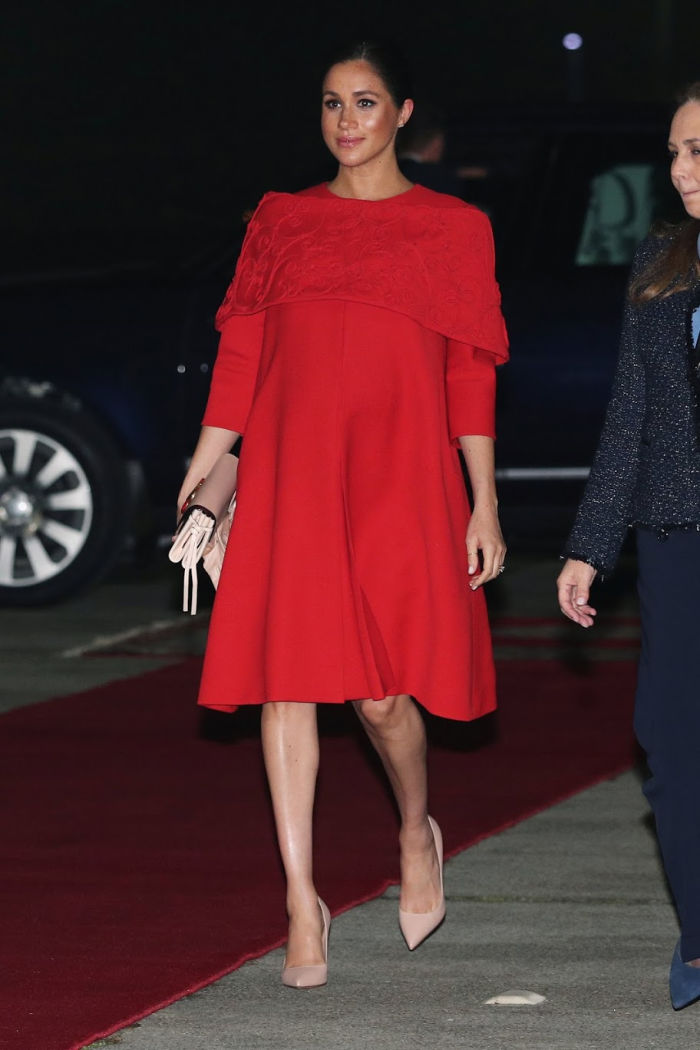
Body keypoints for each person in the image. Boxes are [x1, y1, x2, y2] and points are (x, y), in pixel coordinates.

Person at [179, 40, 509, 989]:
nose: (346, 121)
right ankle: (301, 901)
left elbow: (468, 375)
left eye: (366, 103)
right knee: (288, 684)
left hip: (403, 479)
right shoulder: (281, 221)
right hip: (291, 477)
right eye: (332, 103)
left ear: (403, 114)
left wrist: (482, 502)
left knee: (381, 697)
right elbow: (241, 357)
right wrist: (206, 471)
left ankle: (415, 829)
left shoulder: (454, 227)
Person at [557, 83, 700, 1011]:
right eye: (679, 153)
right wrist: (589, 546)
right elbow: (630, 419)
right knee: (670, 739)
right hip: (676, 538)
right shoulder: (659, 265)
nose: (683, 172)